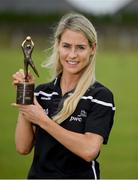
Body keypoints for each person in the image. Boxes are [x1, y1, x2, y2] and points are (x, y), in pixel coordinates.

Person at [12, 13, 115, 179]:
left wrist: (42, 120)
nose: (72, 55)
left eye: (80, 47)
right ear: (57, 46)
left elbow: (89, 150)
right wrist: (26, 94)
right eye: (66, 46)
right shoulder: (41, 92)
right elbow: (22, 147)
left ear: (92, 49)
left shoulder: (100, 96)